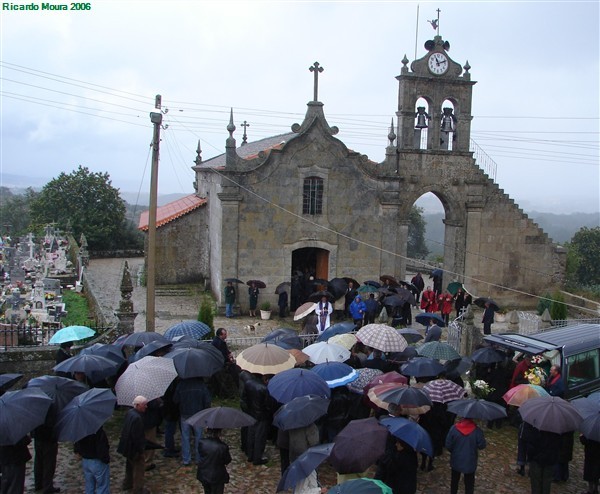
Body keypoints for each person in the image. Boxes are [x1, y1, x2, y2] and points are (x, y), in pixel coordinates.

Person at [173, 377, 211, 466]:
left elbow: (175, 400)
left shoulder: (181, 385)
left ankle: (186, 459)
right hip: (199, 414)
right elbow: (207, 400)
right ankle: (198, 458)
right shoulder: (201, 385)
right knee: (199, 437)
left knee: (185, 437)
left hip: (185, 414)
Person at [445, 416, 486, 494]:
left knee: (454, 481)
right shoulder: (477, 431)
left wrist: (454, 452)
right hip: (470, 460)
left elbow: (448, 444)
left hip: (456, 459)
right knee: (469, 484)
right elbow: (482, 445)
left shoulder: (454, 428)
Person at [117, 395, 148, 494]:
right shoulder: (137, 418)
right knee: (139, 469)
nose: (146, 406)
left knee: (129, 467)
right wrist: (140, 450)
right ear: (138, 405)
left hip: (127, 447)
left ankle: (127, 483)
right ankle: (138, 489)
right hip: (134, 448)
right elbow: (137, 437)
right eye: (144, 405)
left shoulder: (130, 413)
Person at [521, 421, 561, 494]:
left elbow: (528, 438)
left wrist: (531, 454)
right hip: (549, 458)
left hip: (537, 458)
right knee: (546, 483)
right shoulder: (557, 423)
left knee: (536, 483)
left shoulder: (534, 421)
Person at [244, 373, 275, 465]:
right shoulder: (263, 388)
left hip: (251, 413)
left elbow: (244, 398)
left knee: (251, 434)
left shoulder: (248, 383)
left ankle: (250, 455)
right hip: (262, 415)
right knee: (260, 437)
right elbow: (268, 404)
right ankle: (257, 458)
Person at [32, 402, 60, 494]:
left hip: (38, 436)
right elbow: (51, 423)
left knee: (38, 461)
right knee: (48, 463)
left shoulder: (35, 404)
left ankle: (38, 484)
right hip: (48, 439)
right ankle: (47, 486)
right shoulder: (51, 405)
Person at [74, 426, 110, 494]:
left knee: (89, 486)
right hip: (97, 461)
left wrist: (77, 451)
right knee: (102, 486)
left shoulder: (80, 428)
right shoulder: (98, 430)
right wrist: (106, 459)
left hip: (86, 461)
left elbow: (77, 443)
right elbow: (102, 447)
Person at [196, 428, 232, 494]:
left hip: (204, 473)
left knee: (207, 491)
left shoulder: (202, 442)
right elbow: (227, 460)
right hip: (217, 476)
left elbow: (201, 454)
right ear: (219, 432)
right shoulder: (223, 446)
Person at [211, 328, 238, 399]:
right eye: (225, 334)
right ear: (220, 335)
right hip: (220, 365)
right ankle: (229, 394)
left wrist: (228, 353)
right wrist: (228, 358)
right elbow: (222, 355)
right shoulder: (219, 343)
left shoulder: (218, 341)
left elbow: (225, 351)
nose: (226, 335)